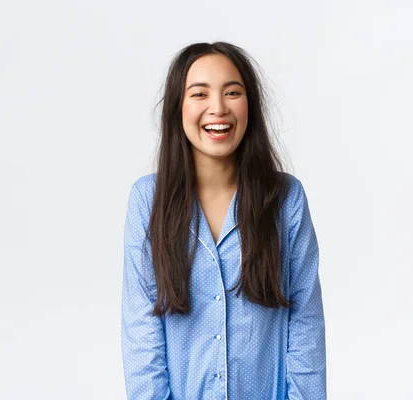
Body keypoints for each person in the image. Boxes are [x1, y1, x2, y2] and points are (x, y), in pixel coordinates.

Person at [121, 41, 326, 400]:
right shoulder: (147, 201)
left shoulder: (285, 199)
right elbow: (142, 336)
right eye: (199, 93)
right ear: (177, 108)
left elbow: (305, 326)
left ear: (251, 106)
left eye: (232, 92)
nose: (218, 108)